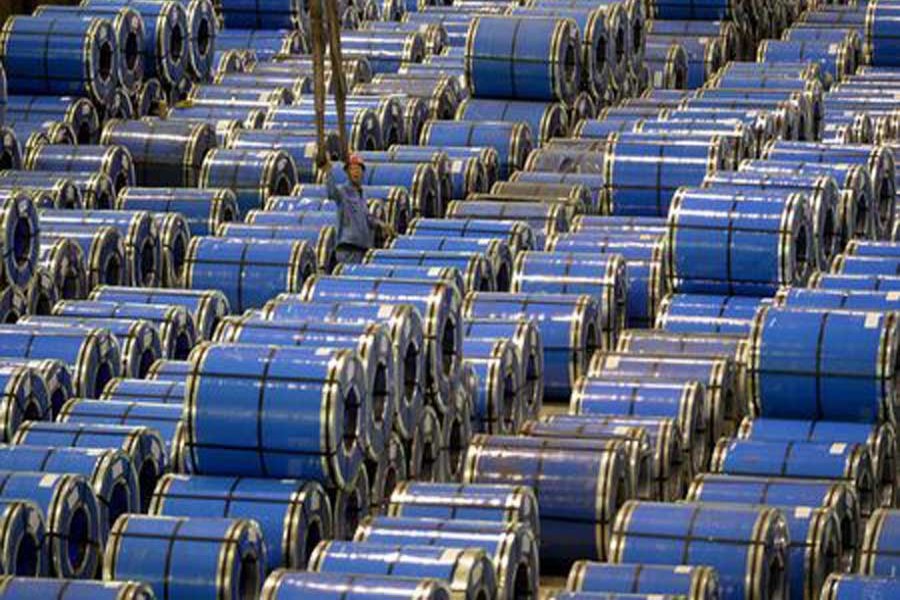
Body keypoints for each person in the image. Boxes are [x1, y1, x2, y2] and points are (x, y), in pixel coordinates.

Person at [325, 154, 393, 264]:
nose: (356, 172)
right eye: (352, 169)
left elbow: (367, 218)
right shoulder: (343, 192)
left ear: (363, 172)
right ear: (347, 173)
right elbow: (331, 192)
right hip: (348, 250)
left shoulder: (362, 194)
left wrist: (382, 224)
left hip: (362, 250)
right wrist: (328, 172)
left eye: (358, 169)